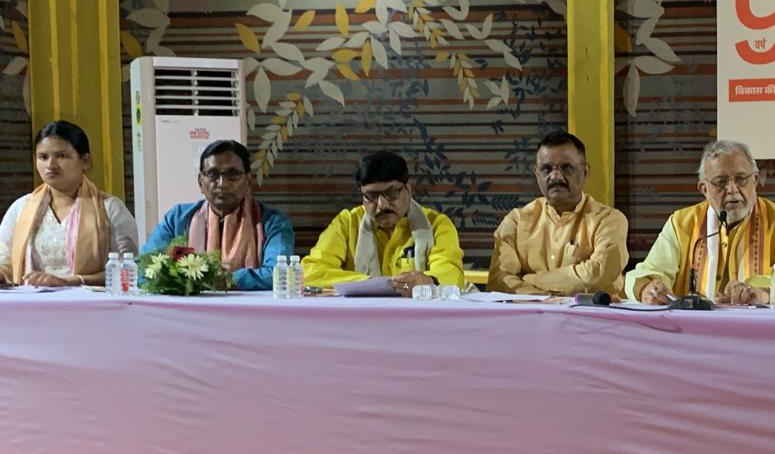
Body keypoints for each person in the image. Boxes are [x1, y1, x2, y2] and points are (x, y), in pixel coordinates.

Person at [625, 139, 775, 306]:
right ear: (704, 189)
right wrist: (647, 290)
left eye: (741, 179)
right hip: (695, 331)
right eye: (721, 182)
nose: (732, 189)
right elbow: (647, 273)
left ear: (755, 180)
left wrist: (765, 293)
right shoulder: (682, 223)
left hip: (763, 331)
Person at [302, 150, 464, 295]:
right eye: (372, 196)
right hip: (360, 315)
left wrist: (429, 281)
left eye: (391, 192)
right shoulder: (347, 223)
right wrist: (372, 284)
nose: (382, 204)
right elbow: (310, 273)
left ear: (408, 189)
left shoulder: (437, 225)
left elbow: (451, 273)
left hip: (417, 314)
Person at [487, 131, 628, 296]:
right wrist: (547, 300)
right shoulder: (517, 221)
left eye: (566, 168)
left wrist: (528, 280)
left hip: (590, 313)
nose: (555, 176)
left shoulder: (609, 220)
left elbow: (596, 277)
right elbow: (499, 281)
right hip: (530, 312)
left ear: (585, 172)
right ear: (536, 174)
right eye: (546, 169)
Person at [140, 140, 294, 291]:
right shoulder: (178, 218)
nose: (222, 183)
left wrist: (227, 280)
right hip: (189, 307)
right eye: (212, 174)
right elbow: (143, 268)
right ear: (200, 182)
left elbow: (280, 274)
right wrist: (181, 280)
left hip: (251, 308)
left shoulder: (273, 222)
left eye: (232, 174)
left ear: (248, 181)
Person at [0, 120, 137, 286]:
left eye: (61, 156)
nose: (51, 165)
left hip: (88, 301)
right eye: (43, 157)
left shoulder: (110, 209)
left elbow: (127, 269)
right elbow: (5, 261)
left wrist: (71, 281)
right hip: (30, 299)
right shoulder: (21, 208)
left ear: (85, 161)